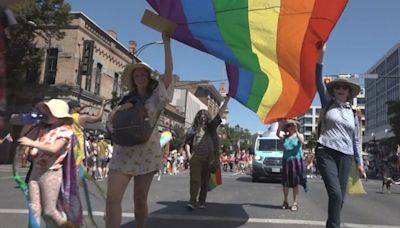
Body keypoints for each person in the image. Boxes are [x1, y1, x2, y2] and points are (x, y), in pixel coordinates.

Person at [105, 33, 174, 228]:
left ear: (147, 77)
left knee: (140, 200)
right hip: (123, 152)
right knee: (112, 198)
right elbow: (111, 123)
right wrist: (120, 109)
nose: (140, 77)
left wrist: (167, 44)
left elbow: (168, 76)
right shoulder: (125, 99)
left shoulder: (156, 98)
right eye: (137, 75)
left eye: (143, 74)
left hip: (146, 151)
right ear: (133, 79)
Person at [315, 45, 365, 228]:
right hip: (326, 152)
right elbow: (318, 83)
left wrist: (359, 163)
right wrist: (321, 57)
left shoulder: (353, 113)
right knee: (335, 194)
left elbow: (356, 139)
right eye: (339, 87)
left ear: (349, 92)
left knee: (340, 199)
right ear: (334, 90)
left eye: (345, 87)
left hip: (346, 156)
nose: (342, 89)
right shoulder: (328, 103)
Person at [17, 99, 79, 227]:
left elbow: (53, 149)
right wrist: (28, 124)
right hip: (35, 172)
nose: (45, 113)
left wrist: (33, 143)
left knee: (49, 211)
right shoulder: (41, 128)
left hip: (51, 173)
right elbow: (23, 138)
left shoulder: (65, 131)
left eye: (49, 111)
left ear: (59, 115)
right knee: (34, 209)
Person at [184, 95, 230, 210]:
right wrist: (189, 155)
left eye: (205, 116)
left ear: (207, 118)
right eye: (201, 116)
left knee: (204, 181)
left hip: (209, 159)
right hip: (196, 158)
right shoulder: (193, 129)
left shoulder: (211, 128)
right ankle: (192, 201)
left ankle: (202, 201)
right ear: (198, 118)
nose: (203, 118)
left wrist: (227, 100)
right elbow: (187, 143)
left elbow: (219, 114)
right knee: (195, 180)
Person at [68, 99, 110, 168]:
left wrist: (87, 105)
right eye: (78, 106)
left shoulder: (67, 117)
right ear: (74, 108)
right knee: (78, 169)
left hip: (69, 145)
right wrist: (103, 106)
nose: (80, 107)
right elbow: (97, 118)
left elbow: (77, 109)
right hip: (79, 146)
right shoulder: (81, 117)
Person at [276, 119, 307, 212]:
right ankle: (285, 201)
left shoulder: (299, 136)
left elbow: (301, 141)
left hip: (296, 162)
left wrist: (297, 131)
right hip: (286, 162)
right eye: (289, 126)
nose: (291, 127)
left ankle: (295, 203)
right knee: (285, 183)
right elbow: (277, 134)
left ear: (296, 126)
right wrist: (280, 126)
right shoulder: (285, 137)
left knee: (295, 183)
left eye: (292, 125)